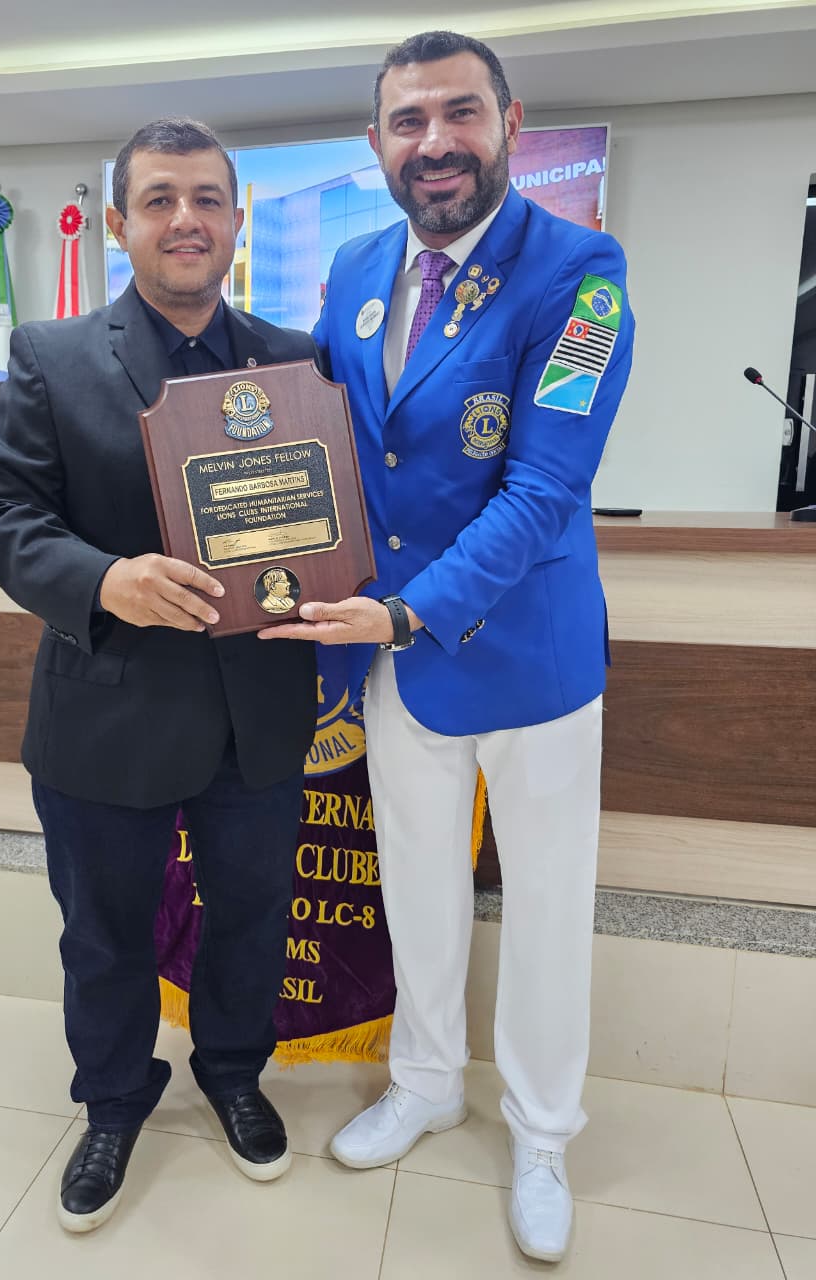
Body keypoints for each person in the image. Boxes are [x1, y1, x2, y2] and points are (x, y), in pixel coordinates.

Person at [260, 31, 634, 1264]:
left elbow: (543, 490)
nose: (435, 142)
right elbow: (326, 442)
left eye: (459, 113)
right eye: (408, 120)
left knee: (545, 905)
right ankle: (424, 1080)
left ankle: (542, 1130)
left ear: (510, 123)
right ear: (376, 142)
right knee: (415, 883)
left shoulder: (583, 275)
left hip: (524, 655)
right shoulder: (357, 267)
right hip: (388, 656)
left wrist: (409, 609)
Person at [0, 118, 318, 1234]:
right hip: (107, 713)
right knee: (105, 932)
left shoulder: (296, 359)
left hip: (259, 716)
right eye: (160, 199)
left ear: (238, 220)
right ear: (119, 224)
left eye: (207, 198)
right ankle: (114, 1102)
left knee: (252, 915)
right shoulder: (52, 354)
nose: (186, 220)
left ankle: (233, 1071)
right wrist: (105, 579)